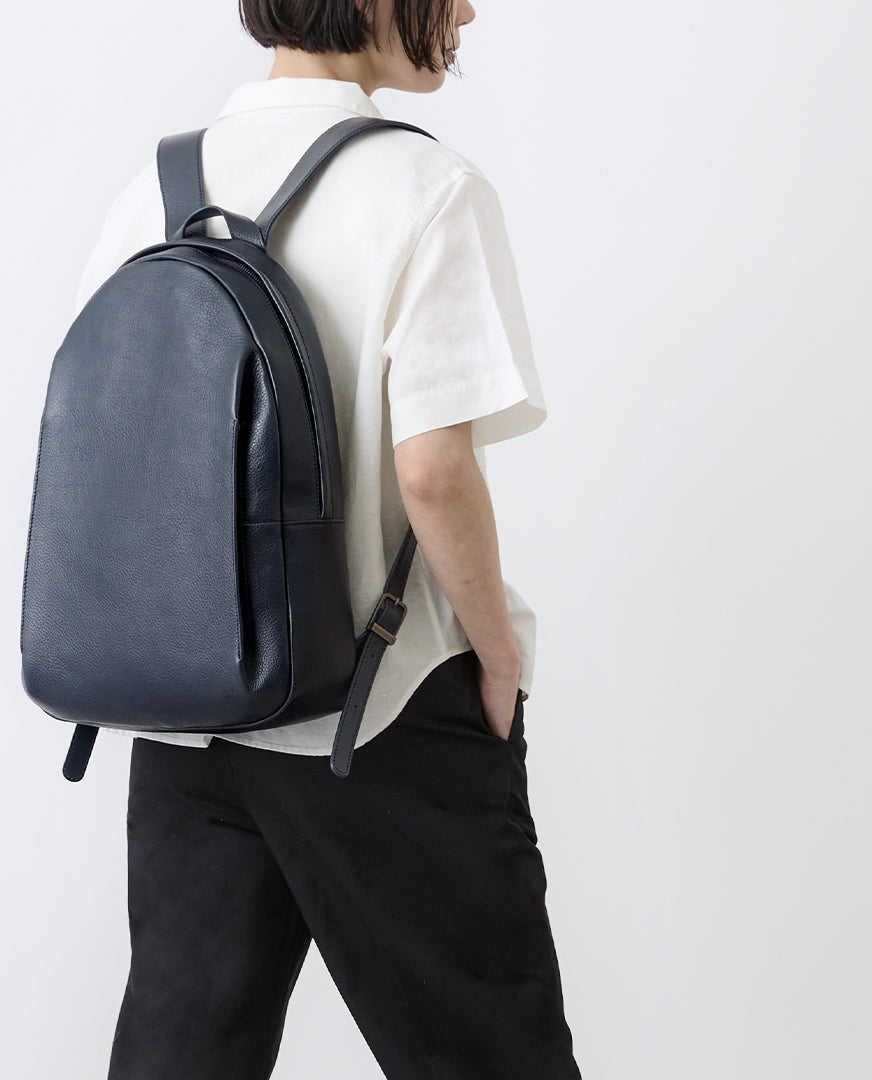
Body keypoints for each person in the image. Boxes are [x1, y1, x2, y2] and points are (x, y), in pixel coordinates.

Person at [74, 2, 582, 1076]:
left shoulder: (151, 195)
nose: (469, 10)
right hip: (381, 713)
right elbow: (432, 471)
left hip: (188, 718)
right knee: (494, 1055)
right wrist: (498, 655)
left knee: (181, 1059)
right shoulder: (427, 188)